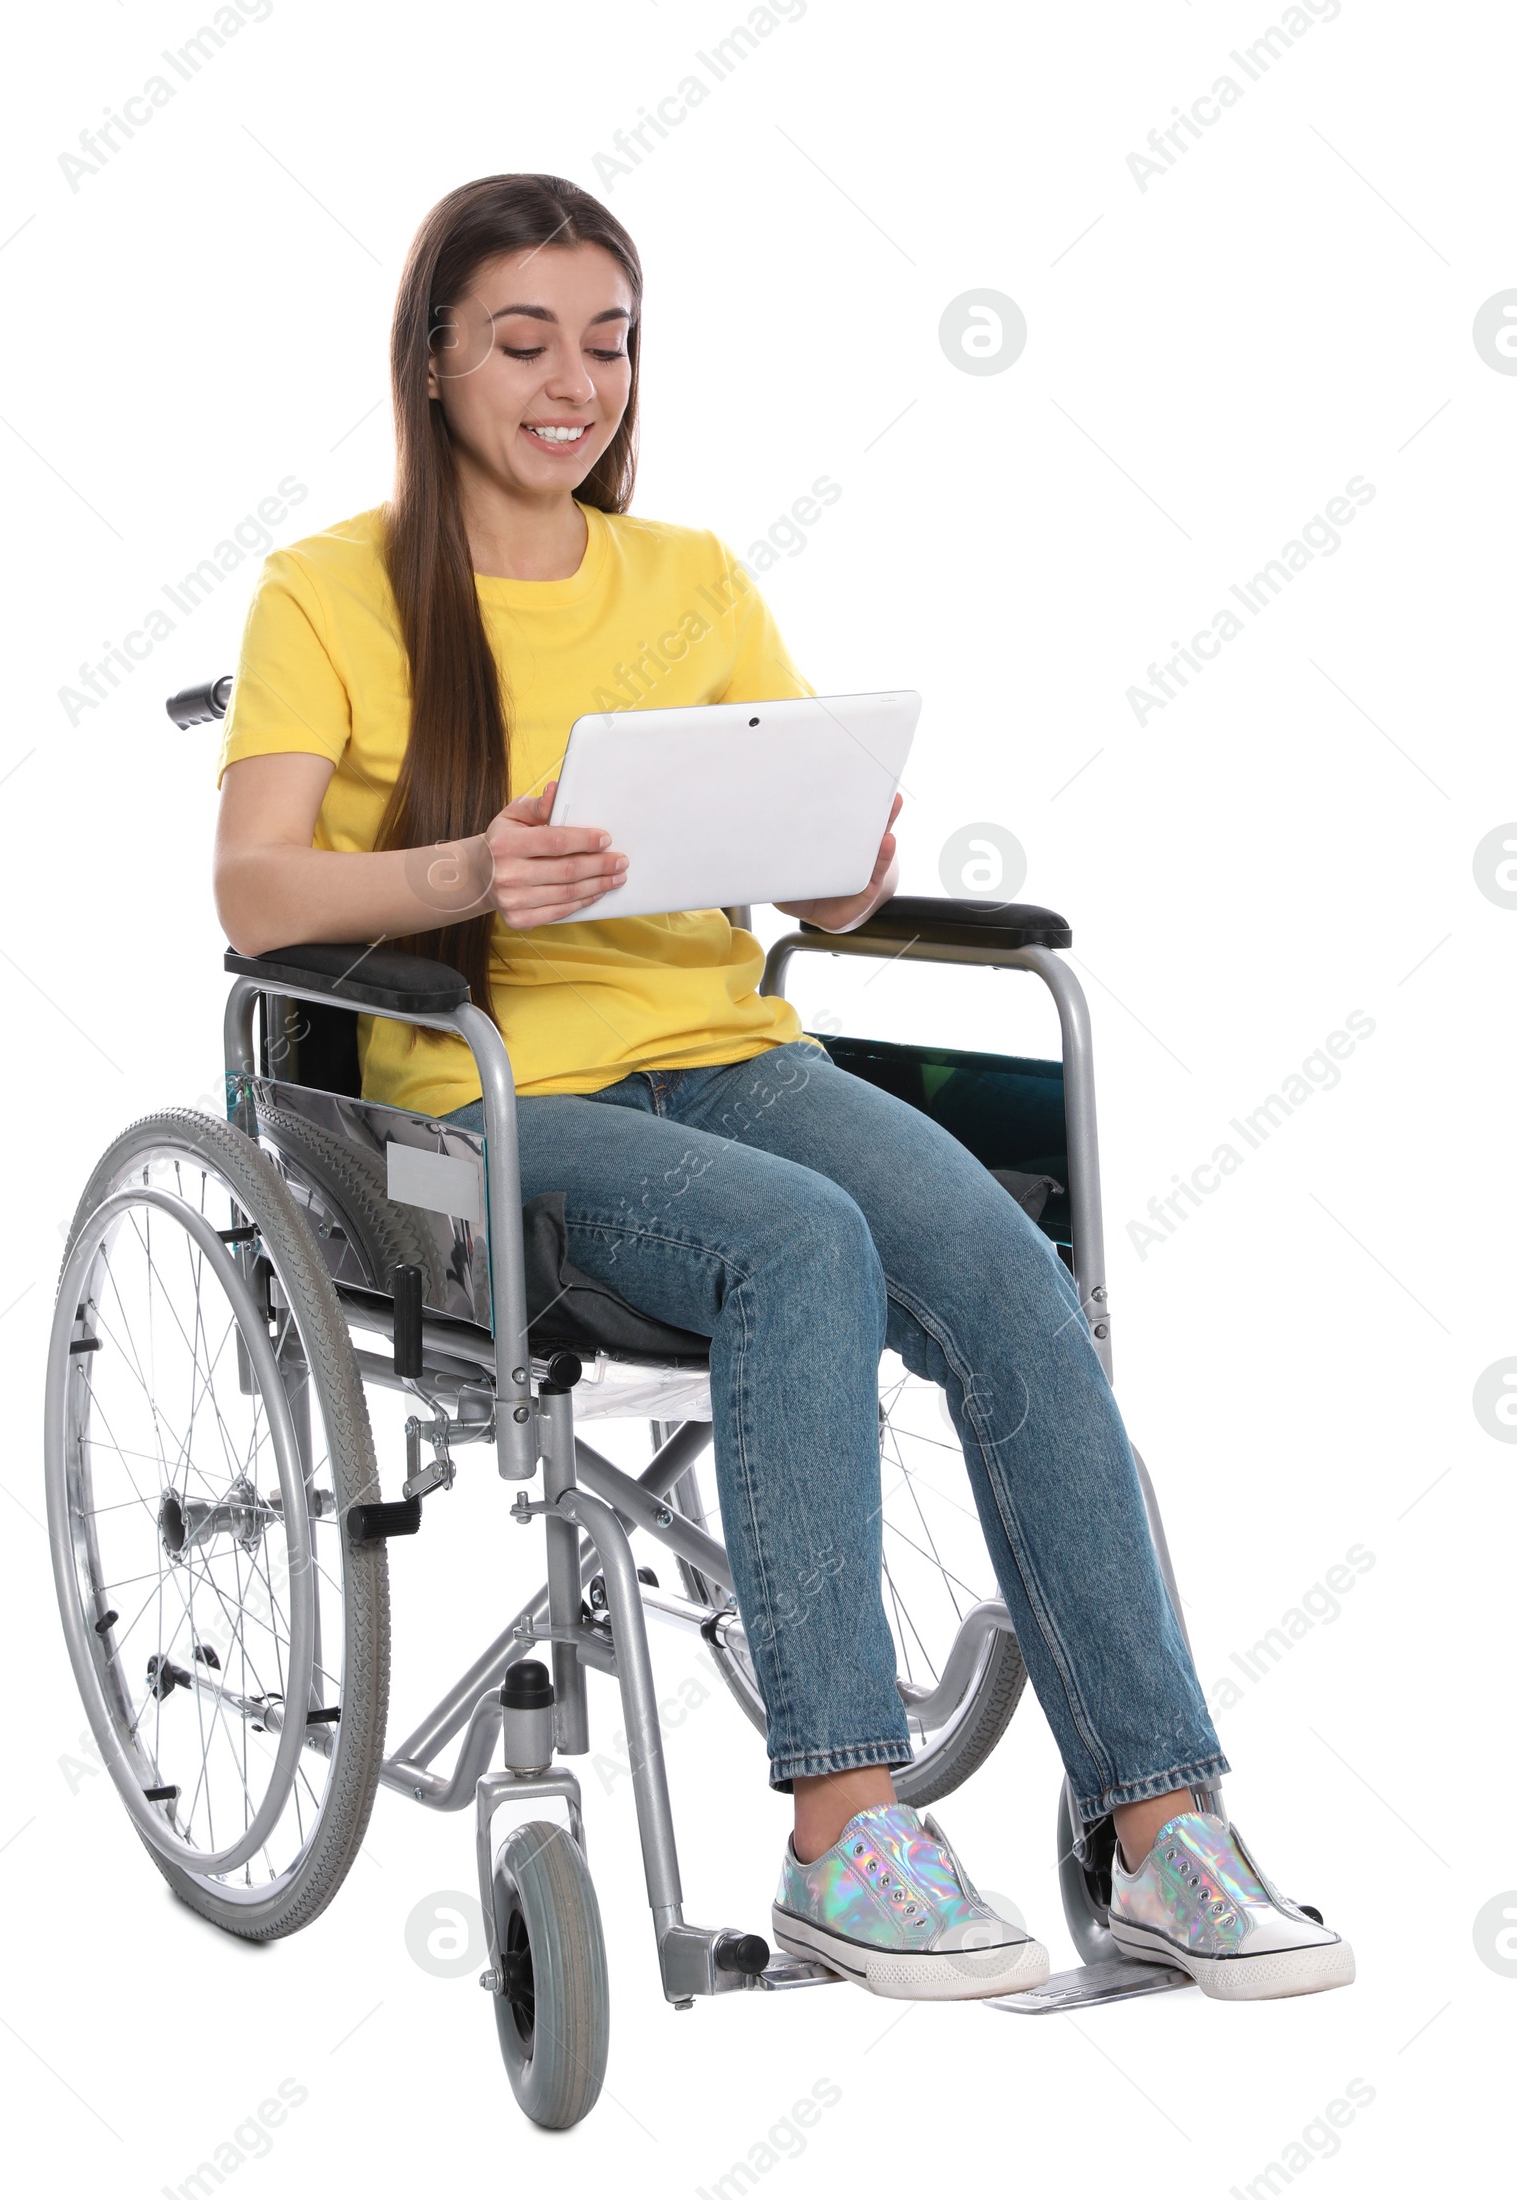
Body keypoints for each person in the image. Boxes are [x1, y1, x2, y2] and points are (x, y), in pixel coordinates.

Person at [214, 172, 1353, 2004]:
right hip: (481, 1097)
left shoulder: (690, 577)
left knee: (1006, 1271)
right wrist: (461, 876)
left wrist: (839, 869)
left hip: (728, 1051)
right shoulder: (328, 592)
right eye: (524, 342)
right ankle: (843, 1834)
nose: (573, 381)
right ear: (434, 363)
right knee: (805, 1245)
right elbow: (254, 892)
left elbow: (805, 868)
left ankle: (1167, 1827)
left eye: (609, 341)